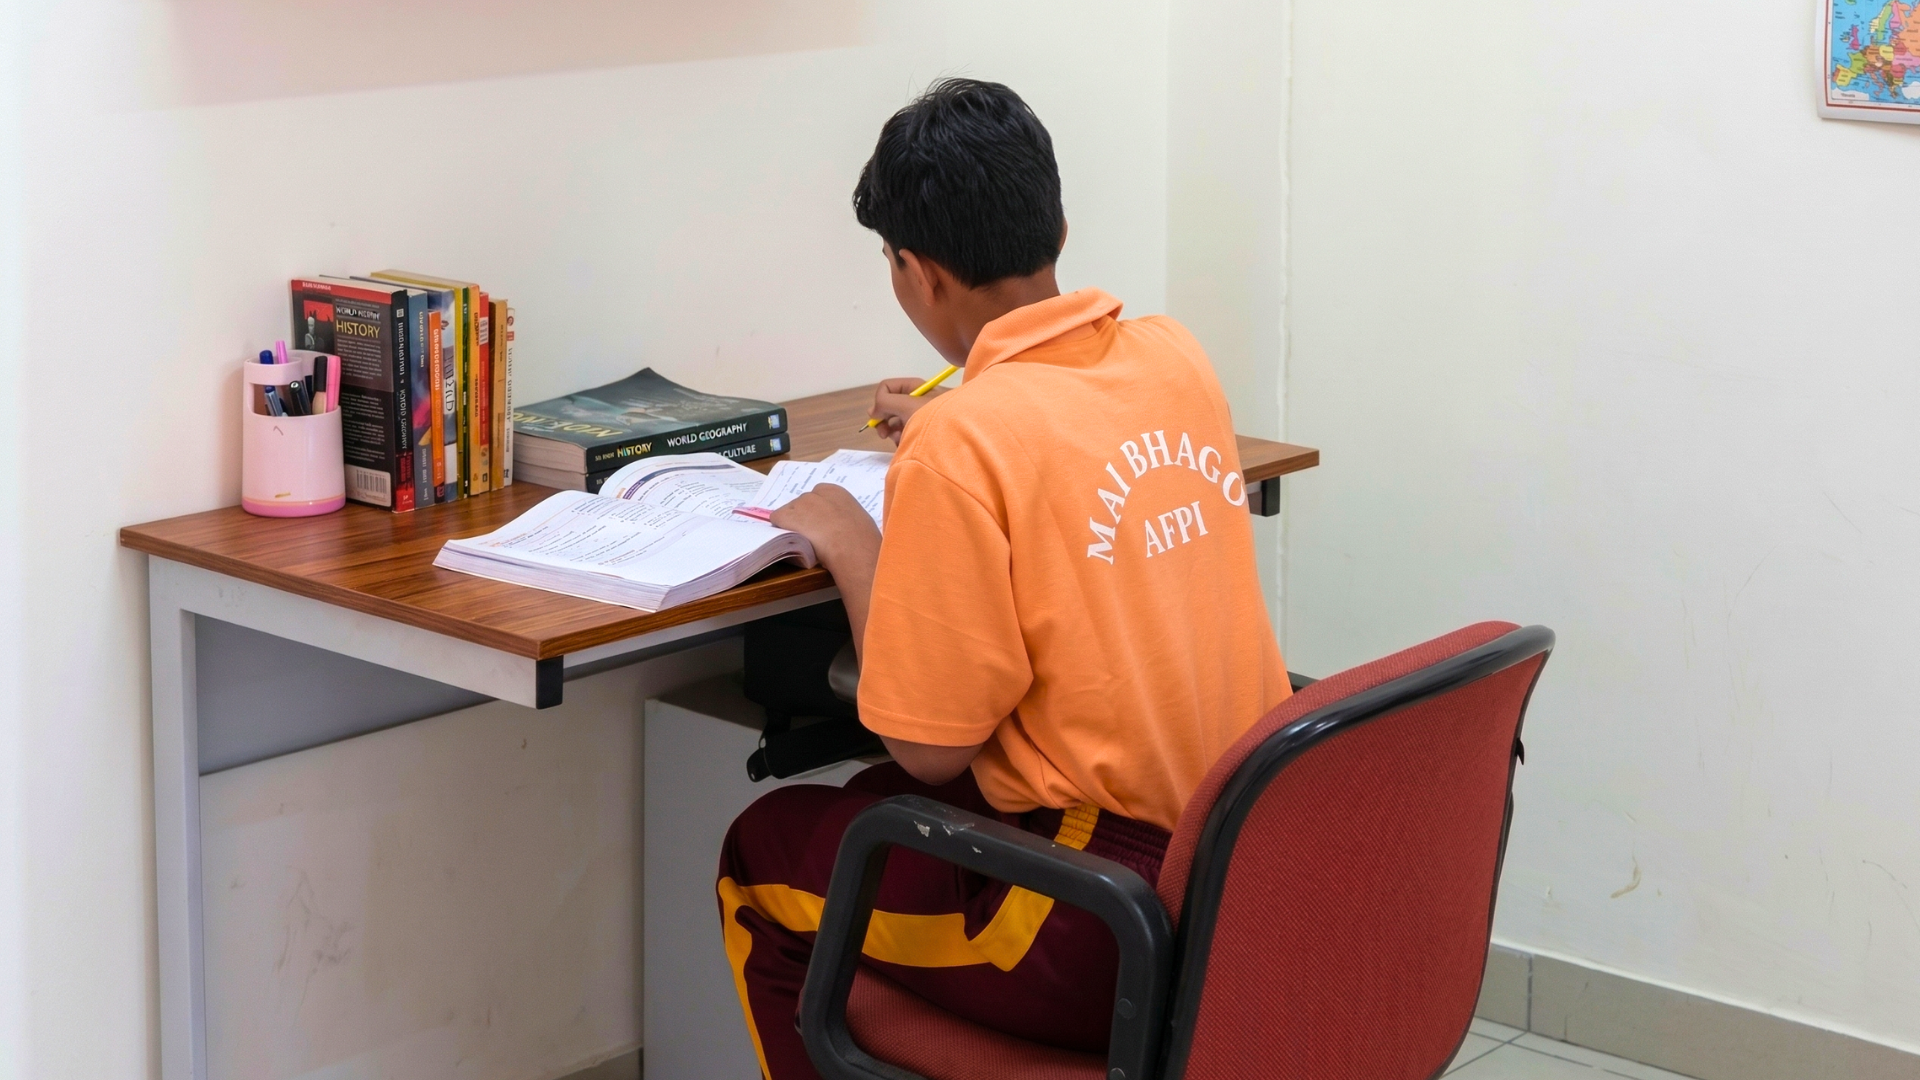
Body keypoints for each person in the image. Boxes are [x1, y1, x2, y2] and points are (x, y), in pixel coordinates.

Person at [718, 77, 1292, 1079]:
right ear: (1058, 220)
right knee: (860, 801)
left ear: (915, 272)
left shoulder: (966, 434)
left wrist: (856, 539)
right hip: (1233, 873)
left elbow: (935, 750)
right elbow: (1066, 424)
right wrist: (962, 407)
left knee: (762, 856)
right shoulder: (1173, 357)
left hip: (1087, 914)